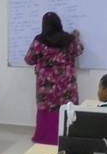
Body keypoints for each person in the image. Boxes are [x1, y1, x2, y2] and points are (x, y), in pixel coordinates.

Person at [24, 11, 84, 144]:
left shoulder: (39, 41)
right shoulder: (69, 39)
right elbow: (79, 50)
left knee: (46, 108)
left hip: (46, 82)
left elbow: (29, 59)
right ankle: (67, 136)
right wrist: (76, 37)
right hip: (66, 81)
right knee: (67, 107)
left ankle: (45, 137)